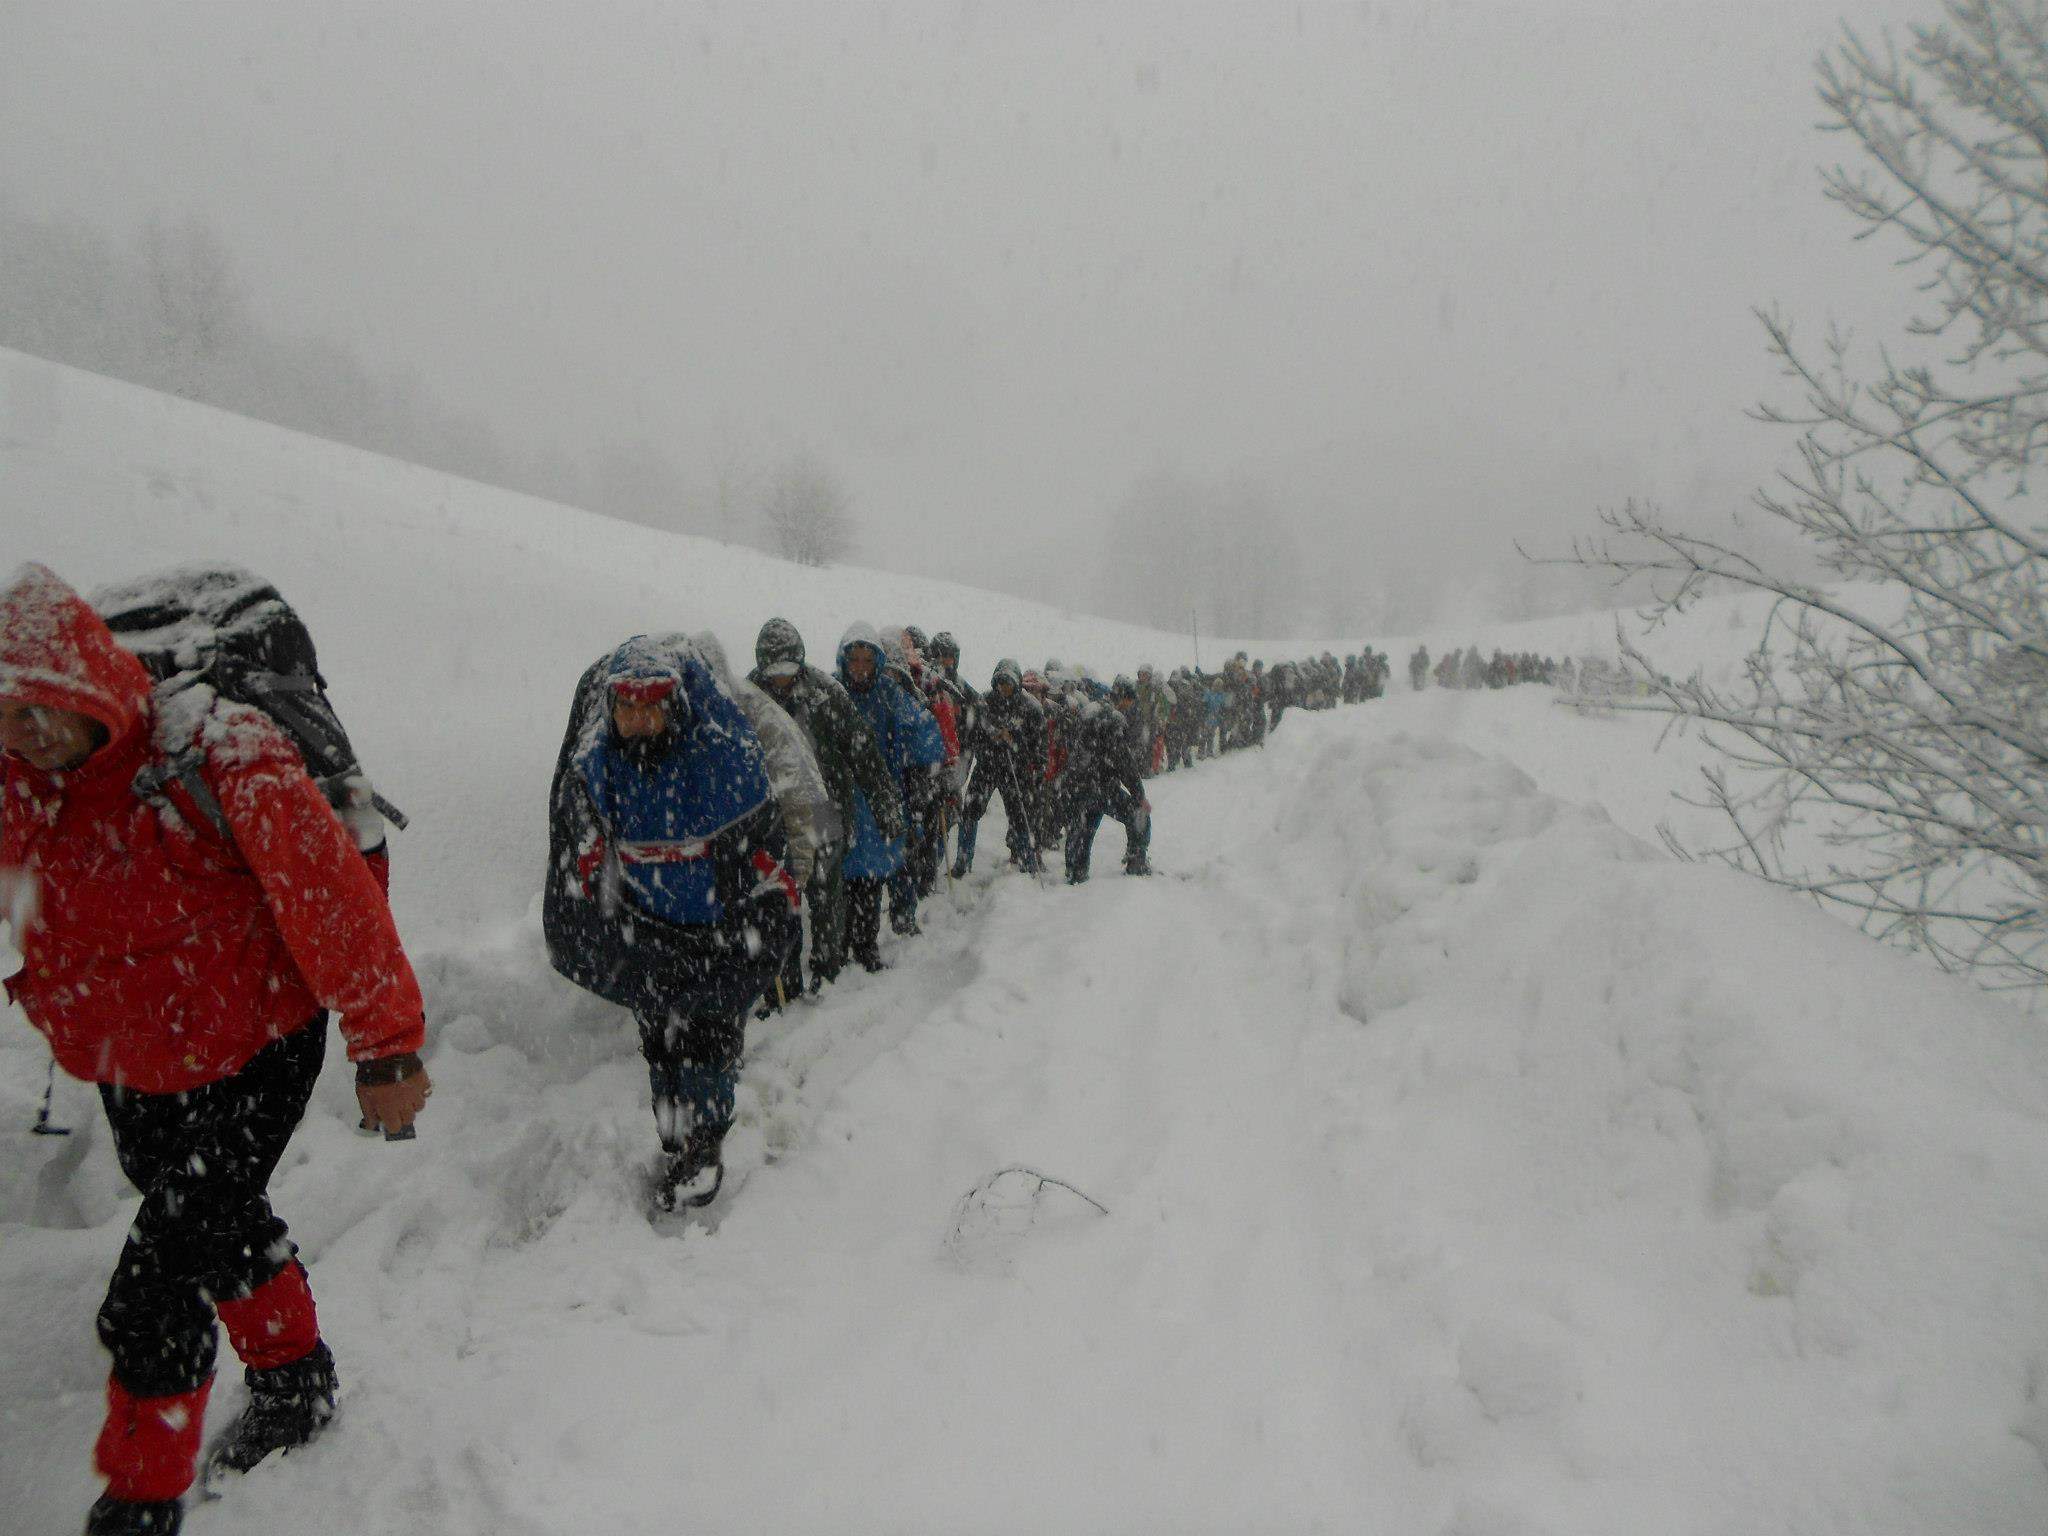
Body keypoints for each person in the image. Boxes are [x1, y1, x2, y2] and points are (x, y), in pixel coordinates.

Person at [0, 564, 430, 1536]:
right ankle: (294, 1382)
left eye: (41, 705)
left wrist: (386, 1048)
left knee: (154, 1286)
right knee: (215, 1219)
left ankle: (142, 1500)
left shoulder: (219, 748)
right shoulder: (21, 792)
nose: (25, 730)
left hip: (260, 1045)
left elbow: (334, 907)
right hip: (131, 1062)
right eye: (5, 711)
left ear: (87, 680)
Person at [543, 634, 799, 1212]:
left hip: (717, 937)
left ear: (674, 706)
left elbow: (764, 855)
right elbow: (588, 848)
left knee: (708, 1041)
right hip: (648, 935)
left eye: (649, 706)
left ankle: (703, 1151)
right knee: (660, 1044)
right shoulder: (601, 767)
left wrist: (761, 922)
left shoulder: (720, 762)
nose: (636, 719)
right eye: (625, 707)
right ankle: (674, 1137)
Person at [748, 617, 903, 993]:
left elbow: (863, 752)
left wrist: (885, 803)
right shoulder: (749, 697)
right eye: (775, 669)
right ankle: (781, 980)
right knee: (777, 896)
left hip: (824, 807)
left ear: (800, 662)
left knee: (826, 890)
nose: (782, 678)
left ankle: (828, 968)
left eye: (789, 668)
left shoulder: (825, 693)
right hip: (773, 815)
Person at [835, 624, 944, 969]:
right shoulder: (832, 692)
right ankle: (837, 949)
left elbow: (921, 730)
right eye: (855, 659)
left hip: (876, 797)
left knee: (868, 876)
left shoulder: (887, 693)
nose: (861, 667)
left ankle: (864, 946)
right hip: (835, 799)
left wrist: (921, 779)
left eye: (868, 659)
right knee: (833, 879)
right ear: (844, 659)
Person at [952, 657, 1045, 877]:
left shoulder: (1030, 707)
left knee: (1021, 816)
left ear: (1017, 683)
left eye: (1009, 683)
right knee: (970, 812)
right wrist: (991, 739)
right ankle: (963, 861)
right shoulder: (984, 702)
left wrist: (1013, 740)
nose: (1004, 688)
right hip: (987, 767)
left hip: (1016, 770)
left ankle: (1027, 860)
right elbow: (970, 736)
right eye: (1000, 682)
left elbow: (1039, 747)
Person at [1062, 675, 1152, 882]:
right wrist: (1139, 796)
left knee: (1081, 830)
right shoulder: (1114, 719)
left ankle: (1075, 873)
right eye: (1130, 700)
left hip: (1077, 783)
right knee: (1139, 816)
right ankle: (1136, 861)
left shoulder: (1087, 710)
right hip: (1102, 786)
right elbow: (1124, 761)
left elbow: (1071, 745)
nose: (1130, 706)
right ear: (1126, 698)